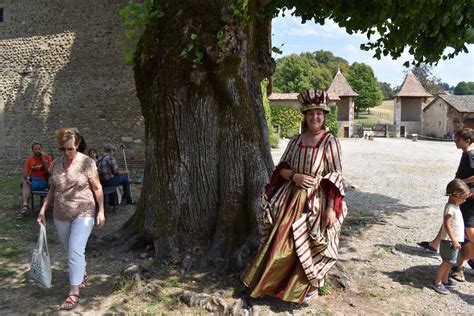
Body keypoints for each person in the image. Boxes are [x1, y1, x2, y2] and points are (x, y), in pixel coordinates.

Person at [242, 89, 347, 303]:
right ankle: (272, 283)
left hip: (317, 199)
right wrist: (295, 176)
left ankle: (305, 286)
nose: (314, 117)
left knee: (309, 239)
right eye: (310, 113)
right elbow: (280, 169)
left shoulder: (330, 142)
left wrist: (330, 209)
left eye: (318, 113)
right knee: (281, 240)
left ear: (324, 115)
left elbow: (335, 176)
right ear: (305, 116)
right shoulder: (296, 140)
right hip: (290, 197)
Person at [37, 128, 105, 310]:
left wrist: (101, 211)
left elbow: (97, 188)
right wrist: (43, 210)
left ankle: (73, 292)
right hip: (60, 214)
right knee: (72, 251)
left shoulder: (87, 162)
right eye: (63, 149)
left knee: (75, 249)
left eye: (70, 149)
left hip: (84, 211)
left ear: (77, 145)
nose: (67, 153)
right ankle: (82, 272)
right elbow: (52, 189)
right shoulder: (56, 165)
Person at [418, 128, 474, 274]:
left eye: (458, 138)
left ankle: (460, 259)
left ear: (467, 141)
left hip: (465, 194)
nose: (455, 140)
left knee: (462, 224)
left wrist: (460, 182)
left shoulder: (470, 156)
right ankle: (436, 244)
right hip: (461, 192)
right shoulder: (466, 154)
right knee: (450, 216)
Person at [432, 179, 469, 294]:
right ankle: (437, 283)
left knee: (450, 262)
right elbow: (447, 225)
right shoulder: (450, 208)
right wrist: (454, 240)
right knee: (446, 262)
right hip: (449, 241)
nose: (465, 200)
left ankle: (445, 280)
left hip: (454, 241)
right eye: (463, 197)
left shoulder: (455, 206)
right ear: (455, 195)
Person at [16, 141, 53, 219]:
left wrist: (44, 161)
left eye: (39, 149)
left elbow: (50, 172)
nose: (37, 151)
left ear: (42, 149)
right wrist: (27, 178)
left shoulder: (47, 157)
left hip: (44, 181)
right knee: (26, 182)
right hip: (33, 180)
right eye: (35, 149)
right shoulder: (29, 160)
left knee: (25, 186)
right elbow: (25, 173)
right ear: (33, 150)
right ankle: (25, 205)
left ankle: (24, 208)